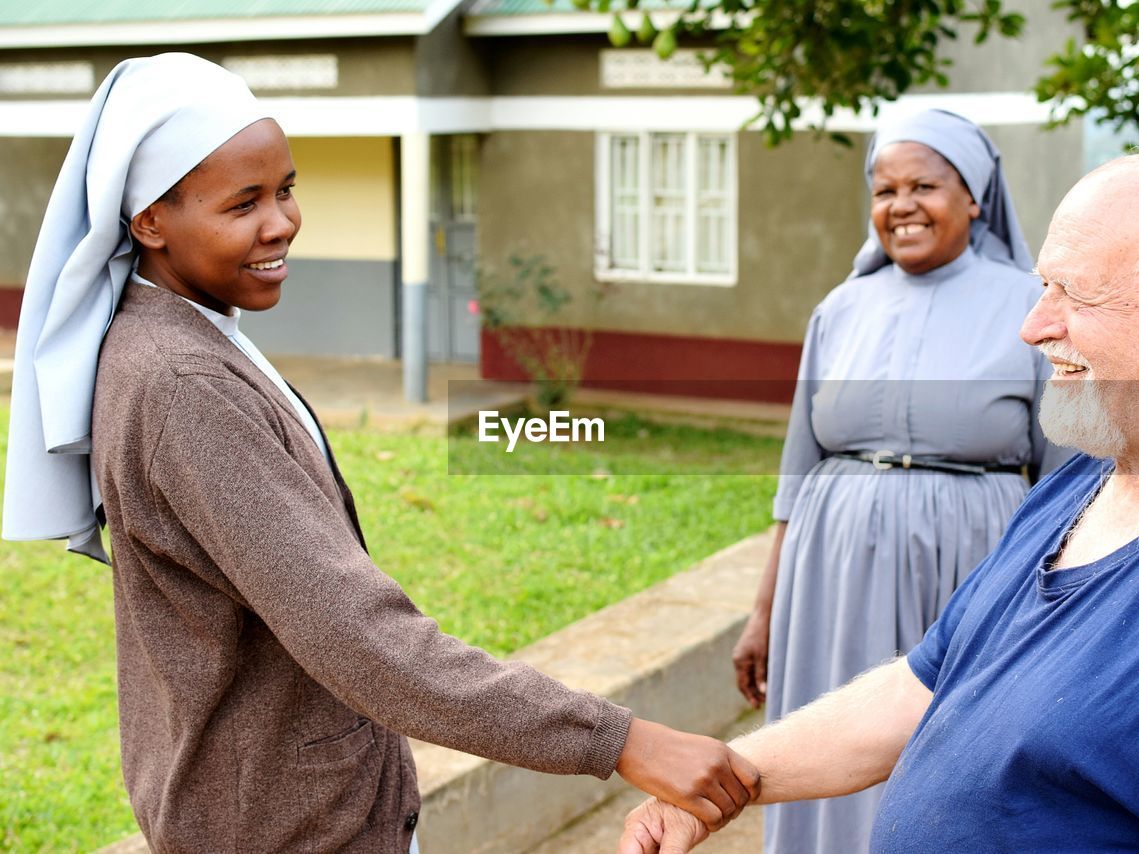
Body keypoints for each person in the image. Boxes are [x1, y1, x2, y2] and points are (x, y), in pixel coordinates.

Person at [1, 53, 759, 851]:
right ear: (148, 220)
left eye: (286, 188)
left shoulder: (179, 336)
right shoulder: (185, 384)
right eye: (243, 203)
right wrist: (622, 740)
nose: (282, 222)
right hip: (283, 830)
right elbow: (360, 636)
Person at [620, 145, 1139, 853]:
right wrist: (727, 782)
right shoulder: (1081, 486)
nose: (1033, 326)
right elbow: (921, 688)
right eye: (1042, 287)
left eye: (1073, 294)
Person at [732, 108, 1067, 853]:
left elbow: (1067, 482)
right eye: (885, 190)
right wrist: (764, 611)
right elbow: (798, 469)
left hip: (972, 571)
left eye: (924, 185)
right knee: (828, 741)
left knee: (945, 751)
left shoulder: (1030, 310)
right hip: (832, 577)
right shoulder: (839, 308)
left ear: (975, 194)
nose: (901, 206)